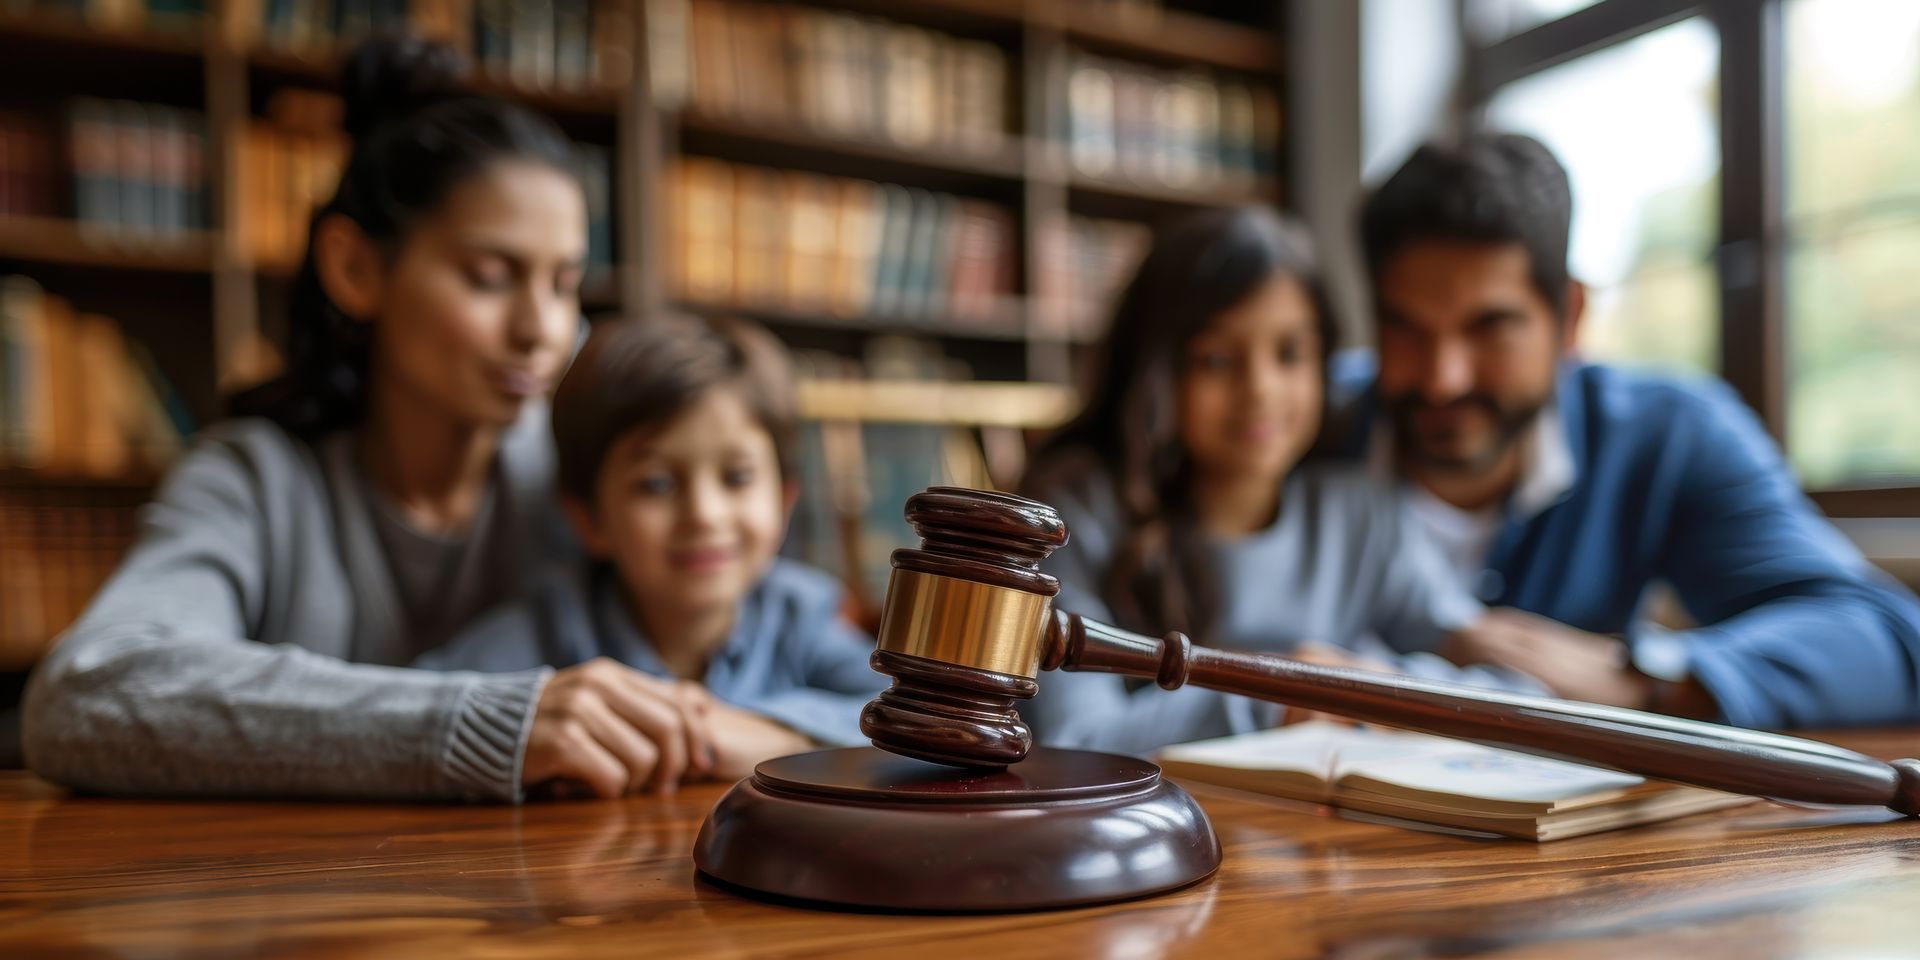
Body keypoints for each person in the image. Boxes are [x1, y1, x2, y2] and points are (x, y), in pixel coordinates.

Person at [22, 37, 710, 801]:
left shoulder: (588, 480)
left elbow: (777, 646)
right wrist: (491, 724)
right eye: (490, 278)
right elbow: (86, 693)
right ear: (355, 268)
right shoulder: (254, 479)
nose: (541, 330)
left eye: (564, 284)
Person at [1351, 132, 1920, 728]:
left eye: (1490, 326)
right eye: (1406, 328)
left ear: (1569, 317)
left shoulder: (1665, 432)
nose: (1444, 379)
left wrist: (1650, 683)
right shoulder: (1289, 425)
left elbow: (1888, 640)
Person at [1018, 206, 1544, 756]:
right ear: (1155, 369)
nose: (1261, 390)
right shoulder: (1072, 515)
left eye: (1290, 354)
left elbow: (1508, 689)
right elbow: (1075, 739)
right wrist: (1282, 691)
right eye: (1217, 360)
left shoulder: (1359, 514)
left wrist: (1360, 680)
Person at [416, 315, 884, 790]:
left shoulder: (798, 616)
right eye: (656, 484)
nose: (704, 515)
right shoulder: (551, 626)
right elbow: (416, 713)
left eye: (737, 477)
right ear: (588, 519)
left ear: (784, 501)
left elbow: (913, 714)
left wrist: (767, 733)